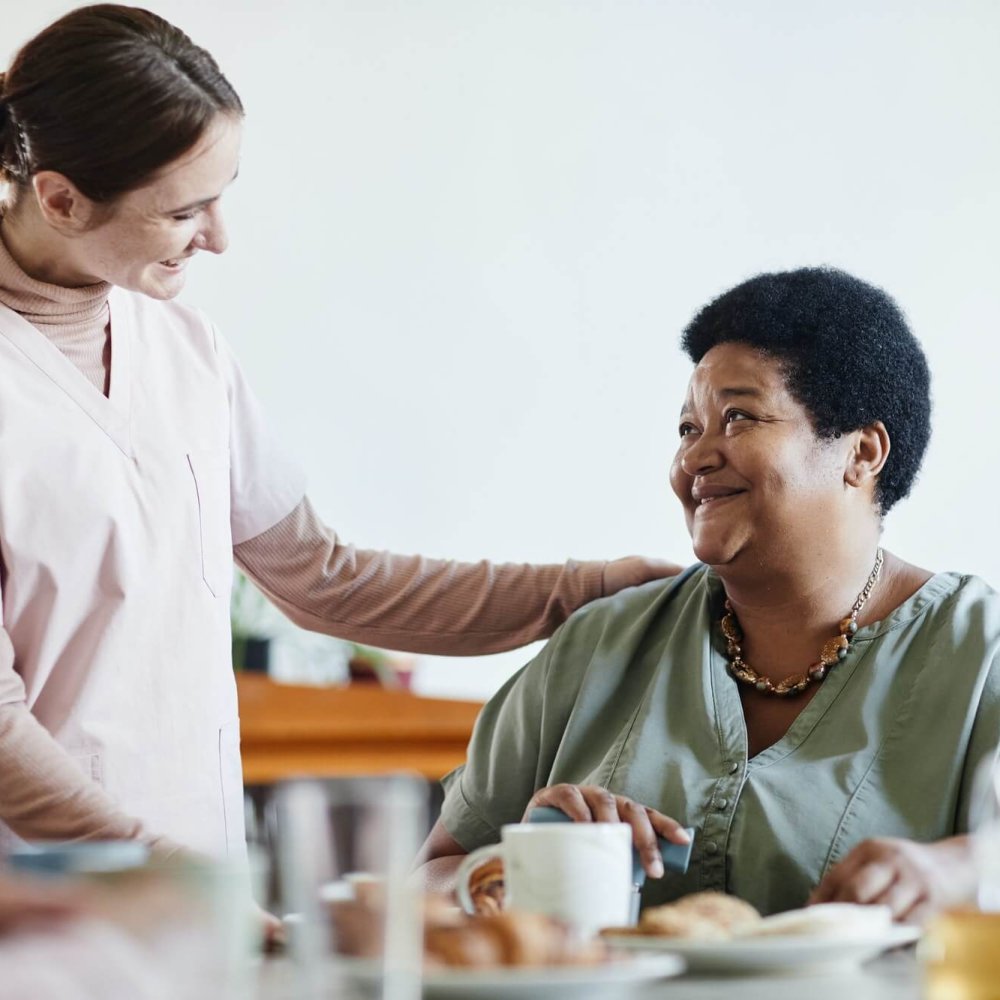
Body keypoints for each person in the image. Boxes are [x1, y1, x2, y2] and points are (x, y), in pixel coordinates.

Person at [0, 5, 677, 862]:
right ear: (60, 199)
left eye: (222, 198)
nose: (218, 238)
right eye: (184, 212)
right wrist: (161, 874)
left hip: (194, 898)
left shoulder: (187, 353)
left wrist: (583, 590)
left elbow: (323, 580)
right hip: (46, 906)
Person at [419, 267, 1000, 923]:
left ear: (862, 453)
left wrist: (960, 868)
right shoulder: (598, 645)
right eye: (688, 429)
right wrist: (523, 866)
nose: (695, 458)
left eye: (738, 417)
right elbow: (428, 880)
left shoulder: (981, 654)